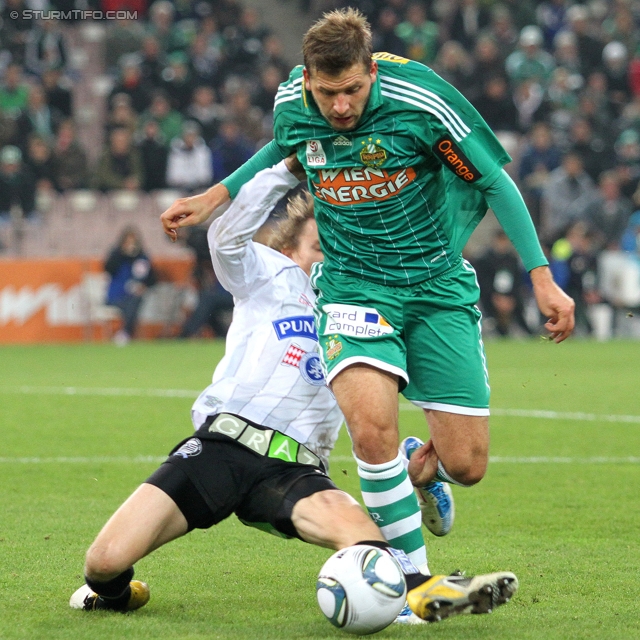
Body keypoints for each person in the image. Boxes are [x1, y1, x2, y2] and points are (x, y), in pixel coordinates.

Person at [160, 7, 573, 590]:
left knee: (467, 465)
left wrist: (541, 275)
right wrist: (218, 193)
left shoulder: (421, 102)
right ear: (307, 80)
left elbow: (493, 180)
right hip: (353, 285)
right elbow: (281, 146)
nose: (342, 107)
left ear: (370, 71)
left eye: (353, 90)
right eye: (328, 93)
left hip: (435, 286)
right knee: (370, 430)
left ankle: (424, 469)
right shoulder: (294, 106)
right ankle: (414, 581)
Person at [71, 158, 519, 624]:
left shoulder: (363, 308)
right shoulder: (269, 273)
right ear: (290, 245)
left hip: (296, 469)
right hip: (221, 448)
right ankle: (118, 595)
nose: (329, 256)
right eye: (319, 245)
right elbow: (224, 237)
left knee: (368, 542)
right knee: (103, 564)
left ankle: (422, 590)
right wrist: (286, 166)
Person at [104, 227, 156, 345]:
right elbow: (108, 268)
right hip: (116, 296)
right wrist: (123, 254)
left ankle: (124, 333)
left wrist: (143, 286)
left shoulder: (142, 258)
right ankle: (126, 332)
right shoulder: (116, 255)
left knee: (135, 300)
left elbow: (152, 278)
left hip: (134, 296)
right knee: (132, 303)